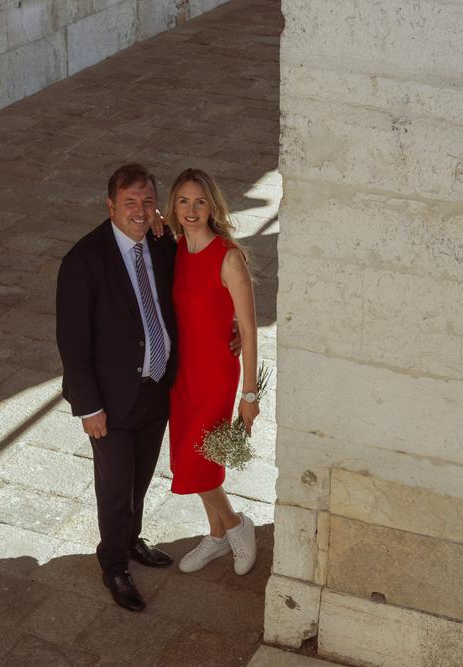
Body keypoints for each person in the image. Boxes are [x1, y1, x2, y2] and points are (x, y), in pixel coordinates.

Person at [55, 163, 204, 613]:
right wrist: (89, 407)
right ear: (110, 206)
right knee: (116, 485)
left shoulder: (160, 243)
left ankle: (132, 538)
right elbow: (73, 344)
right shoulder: (84, 261)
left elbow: (184, 294)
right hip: (111, 399)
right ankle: (114, 563)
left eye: (146, 202)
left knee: (141, 477)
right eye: (129, 203)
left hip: (156, 387)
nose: (139, 211)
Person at [164, 168, 259, 576]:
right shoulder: (174, 249)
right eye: (183, 201)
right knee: (188, 458)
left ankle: (238, 526)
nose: (191, 209)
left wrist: (250, 394)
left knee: (196, 463)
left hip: (216, 374)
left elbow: (250, 330)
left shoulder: (229, 257)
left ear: (212, 206)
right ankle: (217, 535)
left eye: (199, 201)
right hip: (181, 373)